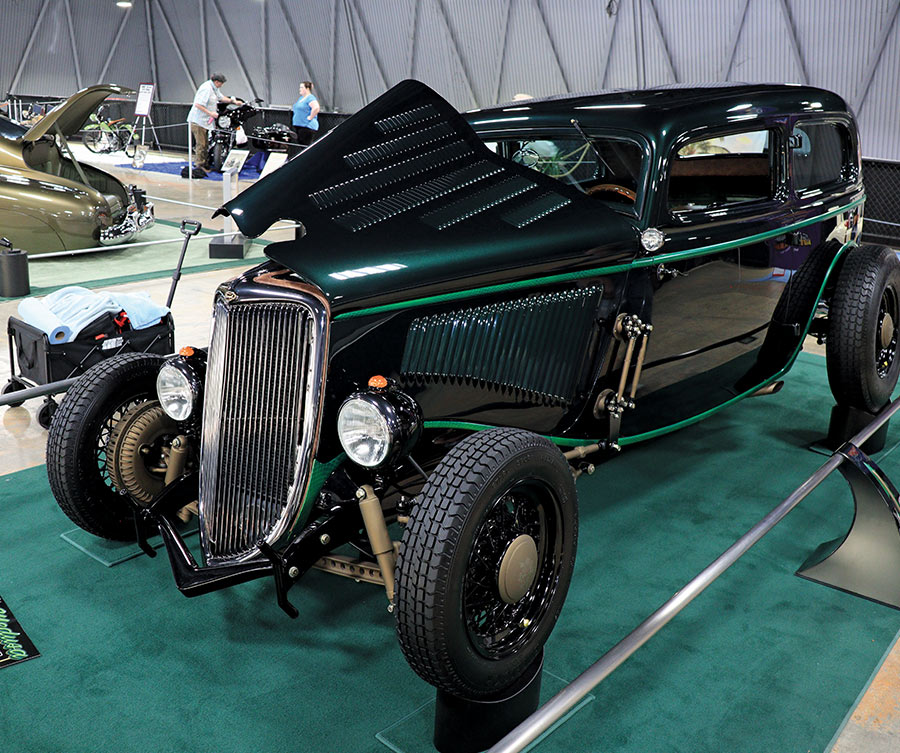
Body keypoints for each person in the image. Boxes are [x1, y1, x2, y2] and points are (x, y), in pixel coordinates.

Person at [186, 72, 238, 173]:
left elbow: (221, 98)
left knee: (205, 143)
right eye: (221, 83)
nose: (221, 85)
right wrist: (211, 113)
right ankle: (199, 166)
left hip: (205, 122)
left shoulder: (214, 88)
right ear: (216, 81)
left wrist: (233, 101)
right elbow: (198, 104)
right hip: (198, 121)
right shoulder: (206, 89)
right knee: (201, 144)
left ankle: (205, 164)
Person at [291, 81, 320, 148]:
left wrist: (310, 117)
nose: (300, 89)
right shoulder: (301, 98)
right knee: (301, 145)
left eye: (301, 87)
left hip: (306, 127)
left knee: (306, 146)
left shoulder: (310, 98)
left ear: (307, 89)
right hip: (299, 126)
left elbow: (316, 107)